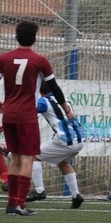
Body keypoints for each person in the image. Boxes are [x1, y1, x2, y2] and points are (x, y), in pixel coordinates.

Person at [0, 20, 74, 216]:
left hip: (9, 114)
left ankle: (11, 205)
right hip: (27, 116)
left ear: (16, 37)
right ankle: (20, 205)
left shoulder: (4, 58)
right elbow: (55, 89)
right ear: (35, 39)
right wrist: (66, 108)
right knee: (28, 158)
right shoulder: (40, 60)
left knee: (15, 158)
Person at [25, 81, 85, 209]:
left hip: (65, 141)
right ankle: (76, 195)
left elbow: (28, 111)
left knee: (34, 156)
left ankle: (39, 191)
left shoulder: (43, 101)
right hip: (79, 141)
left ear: (39, 91)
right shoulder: (65, 100)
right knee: (63, 163)